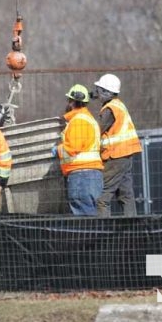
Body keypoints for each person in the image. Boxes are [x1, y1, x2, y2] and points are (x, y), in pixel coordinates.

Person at [93, 73, 142, 218]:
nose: (97, 93)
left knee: (102, 198)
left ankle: (104, 232)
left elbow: (97, 131)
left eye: (99, 90)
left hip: (115, 156)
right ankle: (132, 231)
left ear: (106, 91)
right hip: (126, 155)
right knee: (126, 195)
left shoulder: (109, 109)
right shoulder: (119, 105)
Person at [52, 84, 103, 216]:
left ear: (73, 102)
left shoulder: (78, 120)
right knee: (92, 217)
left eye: (69, 100)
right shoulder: (89, 119)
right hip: (93, 176)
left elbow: (73, 147)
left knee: (84, 220)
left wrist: (57, 150)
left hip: (81, 176)